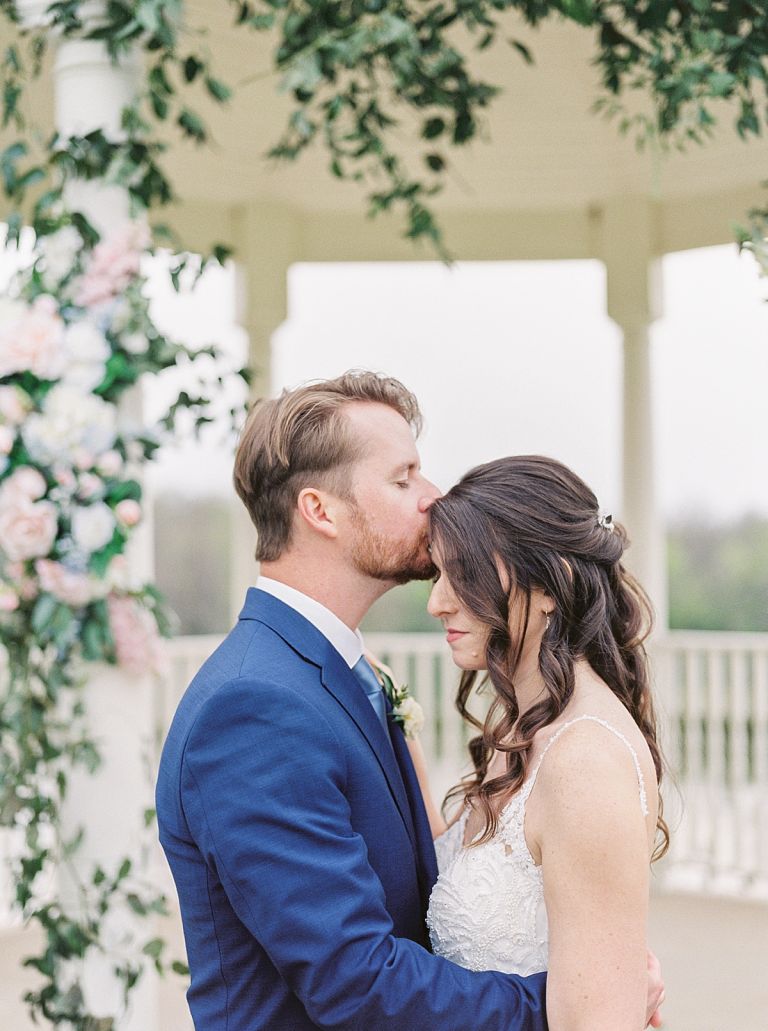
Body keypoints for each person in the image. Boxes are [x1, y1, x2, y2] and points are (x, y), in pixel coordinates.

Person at [155, 371, 663, 1030]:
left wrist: (599, 974)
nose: (432, 497)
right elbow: (354, 978)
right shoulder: (255, 707)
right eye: (404, 478)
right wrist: (576, 998)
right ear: (320, 510)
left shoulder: (342, 673)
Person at [421, 455, 669, 1030]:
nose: (437, 601)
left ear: (550, 583)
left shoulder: (585, 759)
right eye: (437, 573)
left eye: (464, 573)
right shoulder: (522, 727)